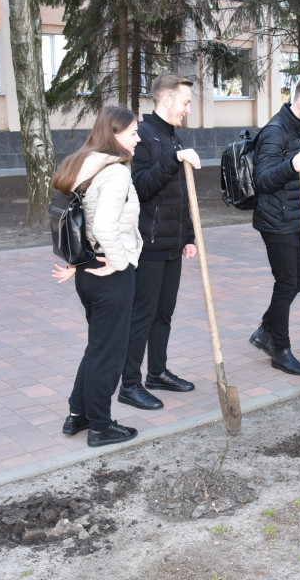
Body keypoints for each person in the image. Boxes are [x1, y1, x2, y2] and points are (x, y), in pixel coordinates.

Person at [50, 106, 145, 447]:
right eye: (133, 132)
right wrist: (120, 263)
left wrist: (79, 262)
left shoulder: (81, 162)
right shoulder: (115, 171)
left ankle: (79, 415)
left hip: (87, 270)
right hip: (109, 273)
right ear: (115, 134)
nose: (138, 138)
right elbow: (103, 225)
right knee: (110, 353)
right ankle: (101, 427)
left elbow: (76, 219)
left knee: (98, 347)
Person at [117, 74, 201, 411]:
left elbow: (181, 195)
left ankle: (157, 372)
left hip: (172, 242)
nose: (188, 108)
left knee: (164, 314)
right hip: (149, 244)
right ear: (166, 100)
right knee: (143, 315)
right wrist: (172, 160)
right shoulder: (143, 137)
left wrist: (189, 236)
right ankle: (130, 384)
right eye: (185, 102)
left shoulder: (173, 136)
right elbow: (139, 187)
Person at [247, 73, 300, 375]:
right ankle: (280, 350)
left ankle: (265, 331)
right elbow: (262, 179)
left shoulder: (297, 127)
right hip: (277, 220)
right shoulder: (276, 131)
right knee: (287, 282)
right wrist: (290, 166)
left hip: (294, 218)